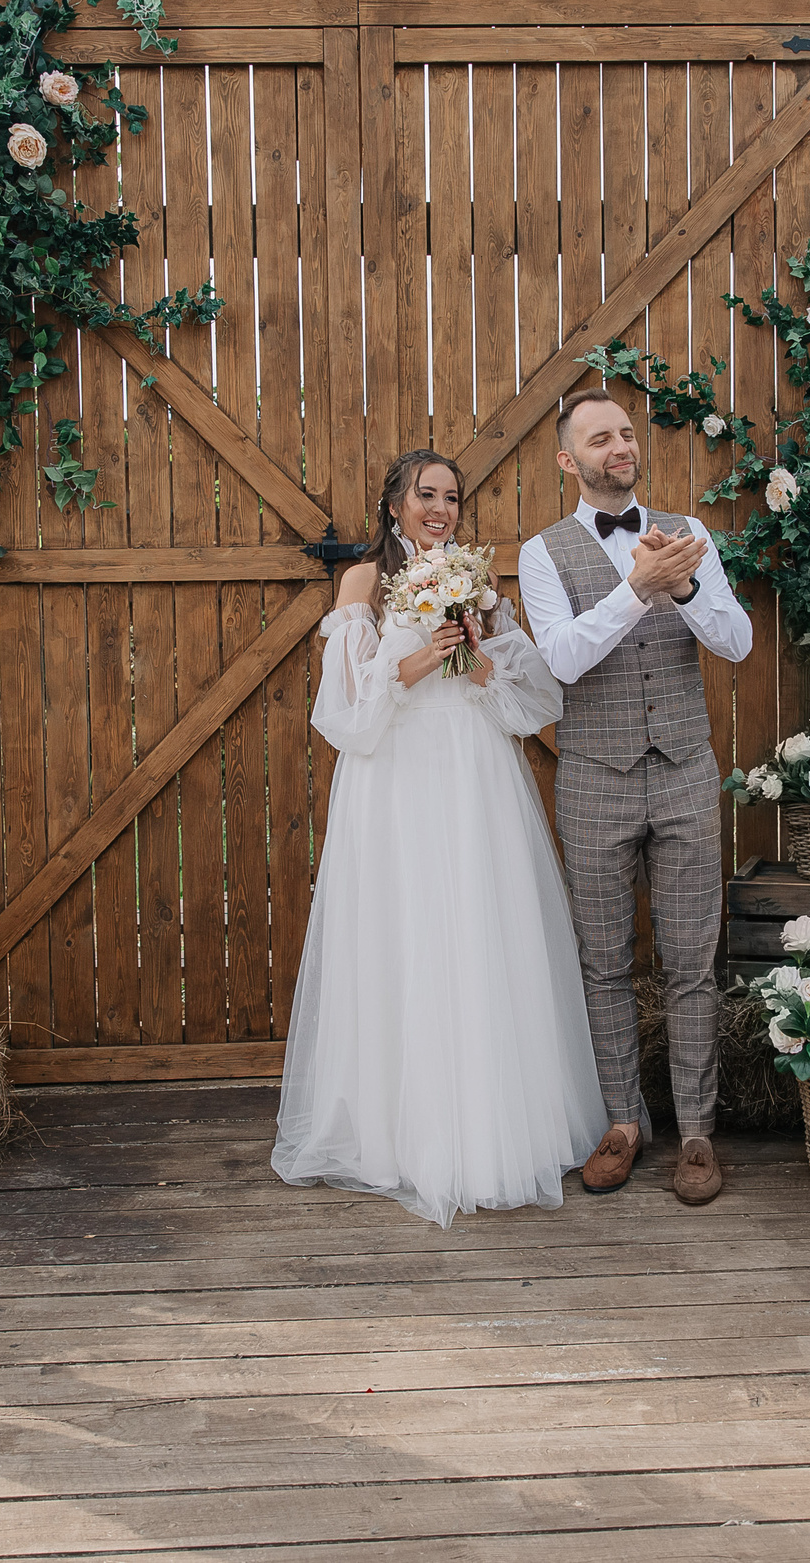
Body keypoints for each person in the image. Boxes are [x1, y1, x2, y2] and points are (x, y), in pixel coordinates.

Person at [272, 448, 607, 1227]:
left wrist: (481, 656)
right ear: (394, 503)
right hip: (396, 775)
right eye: (427, 494)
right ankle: (399, 1137)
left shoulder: (480, 583)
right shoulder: (362, 582)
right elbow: (347, 710)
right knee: (406, 932)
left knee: (481, 930)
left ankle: (493, 1128)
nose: (441, 508)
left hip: (473, 768)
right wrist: (429, 653)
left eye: (452, 497)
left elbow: (529, 697)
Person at [516, 389, 754, 1205]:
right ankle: (622, 1122)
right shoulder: (542, 553)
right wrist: (634, 585)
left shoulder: (692, 535)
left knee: (692, 964)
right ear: (568, 459)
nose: (618, 445)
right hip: (593, 780)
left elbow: (737, 640)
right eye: (598, 437)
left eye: (625, 432)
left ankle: (696, 1131)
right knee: (603, 963)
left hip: (685, 771)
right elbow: (563, 660)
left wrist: (681, 589)